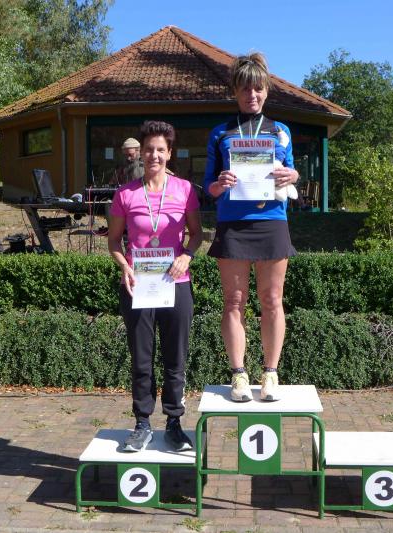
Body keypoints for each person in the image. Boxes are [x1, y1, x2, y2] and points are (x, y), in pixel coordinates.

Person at [203, 52, 299, 403]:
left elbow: (292, 172)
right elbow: (208, 187)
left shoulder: (281, 131)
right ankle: (239, 374)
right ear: (235, 92)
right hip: (233, 224)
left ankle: (271, 373)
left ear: (266, 91)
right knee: (234, 301)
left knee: (272, 300)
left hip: (272, 221)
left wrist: (293, 175)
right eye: (245, 89)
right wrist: (219, 184)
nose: (252, 95)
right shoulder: (220, 133)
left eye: (258, 89)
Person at [108, 120, 203, 452]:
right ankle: (142, 424)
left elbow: (197, 234)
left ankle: (174, 423)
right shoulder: (125, 194)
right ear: (141, 153)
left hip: (175, 283)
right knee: (142, 358)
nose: (154, 155)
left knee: (175, 357)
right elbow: (114, 242)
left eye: (160, 149)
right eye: (149, 149)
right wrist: (124, 266)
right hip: (139, 285)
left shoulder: (185, 190)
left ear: (169, 153)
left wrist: (187, 256)